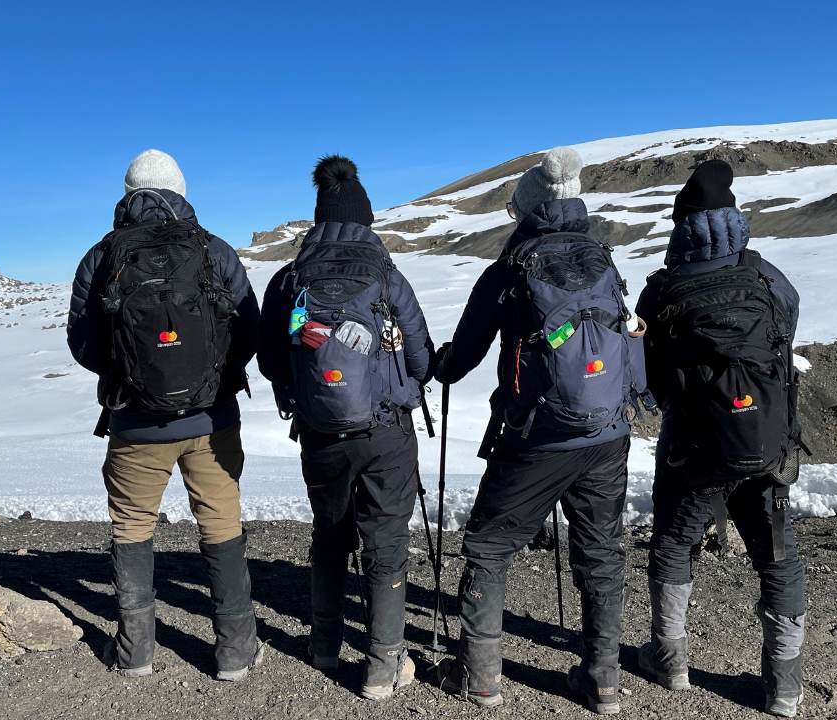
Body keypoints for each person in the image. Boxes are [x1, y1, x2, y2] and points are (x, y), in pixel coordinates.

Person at [432, 147, 648, 715]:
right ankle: (603, 679)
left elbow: (466, 355)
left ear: (525, 210)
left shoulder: (510, 268)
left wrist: (442, 365)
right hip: (607, 433)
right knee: (600, 552)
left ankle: (480, 676)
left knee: (488, 543)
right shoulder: (602, 259)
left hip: (536, 438)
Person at [67, 149, 265, 681]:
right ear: (182, 191)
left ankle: (136, 653)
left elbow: (83, 344)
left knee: (132, 526)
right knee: (220, 522)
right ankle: (235, 652)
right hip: (212, 419)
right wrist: (213, 378)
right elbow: (249, 329)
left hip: (134, 423)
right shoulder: (213, 249)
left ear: (127, 192)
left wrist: (131, 375)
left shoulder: (101, 256)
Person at [634, 159, 806, 717]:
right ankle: (783, 688)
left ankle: (671, 660)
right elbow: (786, 337)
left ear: (680, 225)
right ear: (735, 220)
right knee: (778, 560)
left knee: (673, 546)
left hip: (692, 448)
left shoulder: (661, 290)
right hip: (768, 445)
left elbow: (652, 375)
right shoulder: (767, 279)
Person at [257, 155, 432, 701]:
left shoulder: (290, 279)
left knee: (330, 533)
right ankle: (382, 666)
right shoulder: (386, 276)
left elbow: (268, 357)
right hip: (386, 431)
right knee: (385, 541)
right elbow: (421, 357)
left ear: (318, 217)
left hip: (319, 432)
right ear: (367, 220)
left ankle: (325, 644)